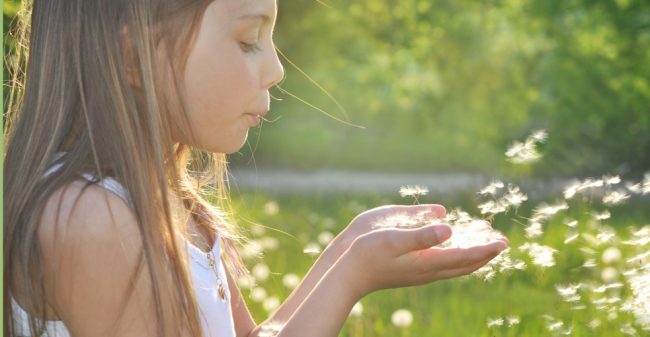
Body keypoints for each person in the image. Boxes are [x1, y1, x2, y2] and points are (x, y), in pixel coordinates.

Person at [3, 0, 509, 336]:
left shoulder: (170, 207)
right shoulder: (89, 221)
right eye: (249, 41)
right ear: (136, 59)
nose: (277, 70)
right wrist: (351, 274)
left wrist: (348, 255)